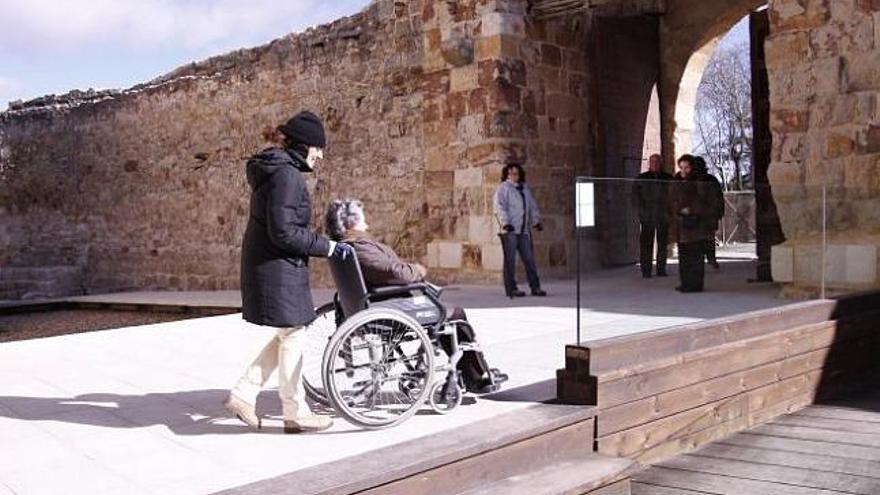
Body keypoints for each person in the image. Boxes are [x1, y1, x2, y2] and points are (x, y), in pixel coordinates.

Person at [225, 111, 353, 434]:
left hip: (274, 265)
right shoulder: (287, 176)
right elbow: (283, 231)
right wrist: (327, 247)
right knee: (294, 333)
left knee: (289, 333)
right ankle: (294, 411)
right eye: (318, 147)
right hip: (276, 267)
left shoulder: (279, 170)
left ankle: (244, 394)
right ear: (306, 145)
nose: (321, 154)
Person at [324, 199, 508, 394]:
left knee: (443, 309)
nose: (366, 225)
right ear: (352, 224)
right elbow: (396, 273)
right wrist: (416, 269)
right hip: (387, 306)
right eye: (363, 221)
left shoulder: (344, 247)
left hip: (377, 304)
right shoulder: (360, 247)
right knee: (455, 314)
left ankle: (468, 373)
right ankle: (478, 376)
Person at [493, 163, 546, 298]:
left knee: (529, 259)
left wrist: (536, 221)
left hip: (523, 231)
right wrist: (505, 223)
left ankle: (535, 287)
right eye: (511, 174)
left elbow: (531, 206)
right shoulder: (503, 189)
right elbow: (499, 207)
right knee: (510, 261)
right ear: (507, 175)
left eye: (516, 173)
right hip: (510, 230)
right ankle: (512, 288)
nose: (514, 176)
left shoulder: (525, 189)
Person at [671, 154, 711, 293]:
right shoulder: (676, 181)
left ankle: (695, 284)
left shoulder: (699, 181)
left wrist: (692, 209)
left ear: (691, 167)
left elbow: (704, 200)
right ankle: (685, 283)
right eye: (681, 167)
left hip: (695, 224)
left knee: (696, 257)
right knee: (684, 256)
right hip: (681, 224)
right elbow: (672, 199)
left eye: (686, 167)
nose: (683, 170)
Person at [631, 154, 674, 278]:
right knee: (646, 244)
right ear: (649, 163)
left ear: (661, 163)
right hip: (647, 216)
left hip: (662, 216)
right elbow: (635, 197)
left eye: (657, 162)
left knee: (662, 244)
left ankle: (661, 269)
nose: (655, 164)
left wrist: (669, 212)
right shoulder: (642, 178)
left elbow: (673, 196)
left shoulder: (667, 178)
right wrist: (642, 211)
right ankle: (646, 270)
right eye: (652, 162)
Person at [694, 156, 724, 270]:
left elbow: (718, 197)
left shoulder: (710, 180)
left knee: (708, 238)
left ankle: (710, 259)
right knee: (705, 238)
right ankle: (709, 259)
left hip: (708, 213)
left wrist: (718, 211)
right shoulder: (710, 179)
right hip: (703, 213)